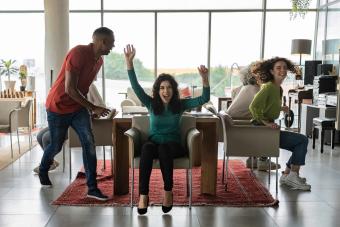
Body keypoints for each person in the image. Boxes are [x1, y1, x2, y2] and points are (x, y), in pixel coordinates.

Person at [124, 44, 210, 214]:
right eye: (162, 88)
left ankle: (168, 192)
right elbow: (135, 87)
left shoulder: (180, 105)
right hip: (154, 144)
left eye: (169, 87)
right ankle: (143, 195)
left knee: (164, 148)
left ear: (174, 90)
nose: (166, 91)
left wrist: (205, 78)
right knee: (147, 147)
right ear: (157, 90)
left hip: (173, 147)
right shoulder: (150, 103)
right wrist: (129, 63)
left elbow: (204, 98)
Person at [38, 27, 114, 201]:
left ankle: (92, 188)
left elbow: (84, 87)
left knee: (89, 142)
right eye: (111, 43)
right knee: (56, 145)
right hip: (58, 106)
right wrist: (92, 107)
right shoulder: (78, 53)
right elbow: (70, 89)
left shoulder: (99, 61)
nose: (113, 46)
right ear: (102, 41)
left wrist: (90, 108)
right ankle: (43, 169)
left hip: (77, 108)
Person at [249, 57, 311, 191]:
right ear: (271, 71)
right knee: (302, 140)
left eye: (284, 67)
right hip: (262, 131)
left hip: (266, 130)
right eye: (278, 67)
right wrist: (266, 123)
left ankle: (288, 175)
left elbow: (267, 107)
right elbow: (253, 107)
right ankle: (292, 176)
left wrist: (281, 109)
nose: (282, 70)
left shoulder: (278, 88)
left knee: (300, 142)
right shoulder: (269, 87)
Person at [33, 83, 109, 174]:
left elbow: (101, 105)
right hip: (64, 118)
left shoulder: (90, 86)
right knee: (40, 135)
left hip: (77, 123)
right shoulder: (69, 86)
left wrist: (91, 112)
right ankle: (51, 161)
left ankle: (49, 163)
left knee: (46, 138)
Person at [226, 61, 281, 171]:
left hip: (230, 130)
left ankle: (252, 159)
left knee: (257, 119)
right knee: (268, 120)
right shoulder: (261, 90)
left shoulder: (239, 89)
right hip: (243, 129)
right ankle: (263, 160)